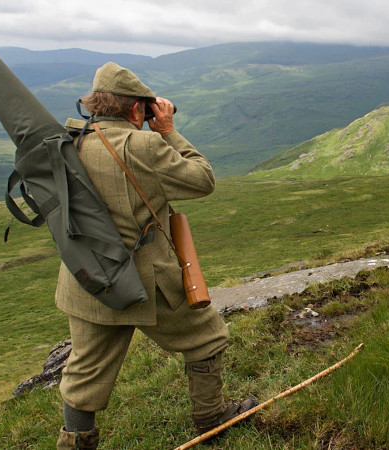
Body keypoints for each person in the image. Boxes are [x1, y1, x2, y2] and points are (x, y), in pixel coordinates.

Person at [54, 62, 256, 449]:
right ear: (135, 111)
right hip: (144, 280)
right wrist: (167, 130)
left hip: (88, 277)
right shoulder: (143, 144)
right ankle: (211, 417)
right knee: (207, 339)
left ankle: (75, 444)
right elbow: (202, 181)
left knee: (84, 371)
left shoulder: (68, 141)